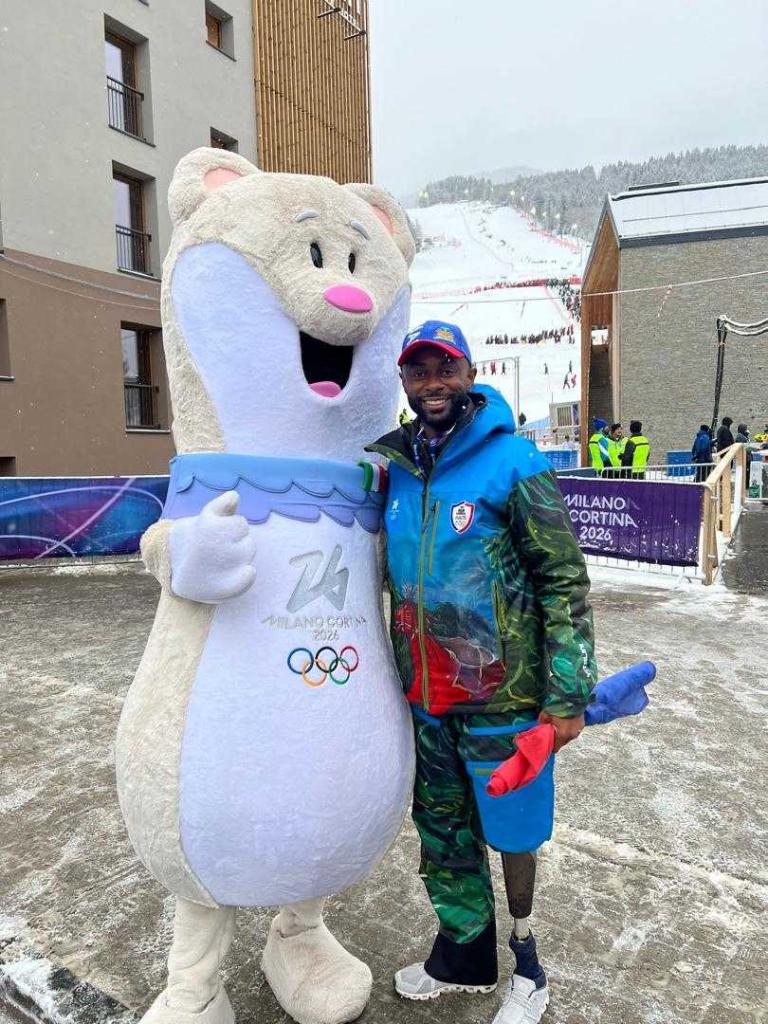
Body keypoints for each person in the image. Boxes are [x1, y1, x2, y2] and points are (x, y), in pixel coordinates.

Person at [367, 320, 597, 1024]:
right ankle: (463, 957)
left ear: (469, 375)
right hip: (426, 696)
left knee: (514, 833)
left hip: (505, 696)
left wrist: (568, 692)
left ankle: (528, 966)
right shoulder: (398, 471)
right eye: (418, 371)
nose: (432, 383)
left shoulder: (514, 462)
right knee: (443, 833)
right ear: (405, 382)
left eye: (446, 369)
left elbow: (563, 580)